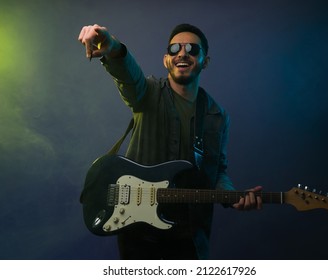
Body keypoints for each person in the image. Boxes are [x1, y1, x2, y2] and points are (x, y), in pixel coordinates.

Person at [78, 23, 262, 260]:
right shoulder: (147, 93)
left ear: (205, 61)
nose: (182, 53)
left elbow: (217, 172)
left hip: (189, 237)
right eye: (175, 48)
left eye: (192, 49)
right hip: (139, 236)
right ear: (166, 59)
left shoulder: (217, 116)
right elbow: (127, 74)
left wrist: (233, 196)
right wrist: (112, 46)